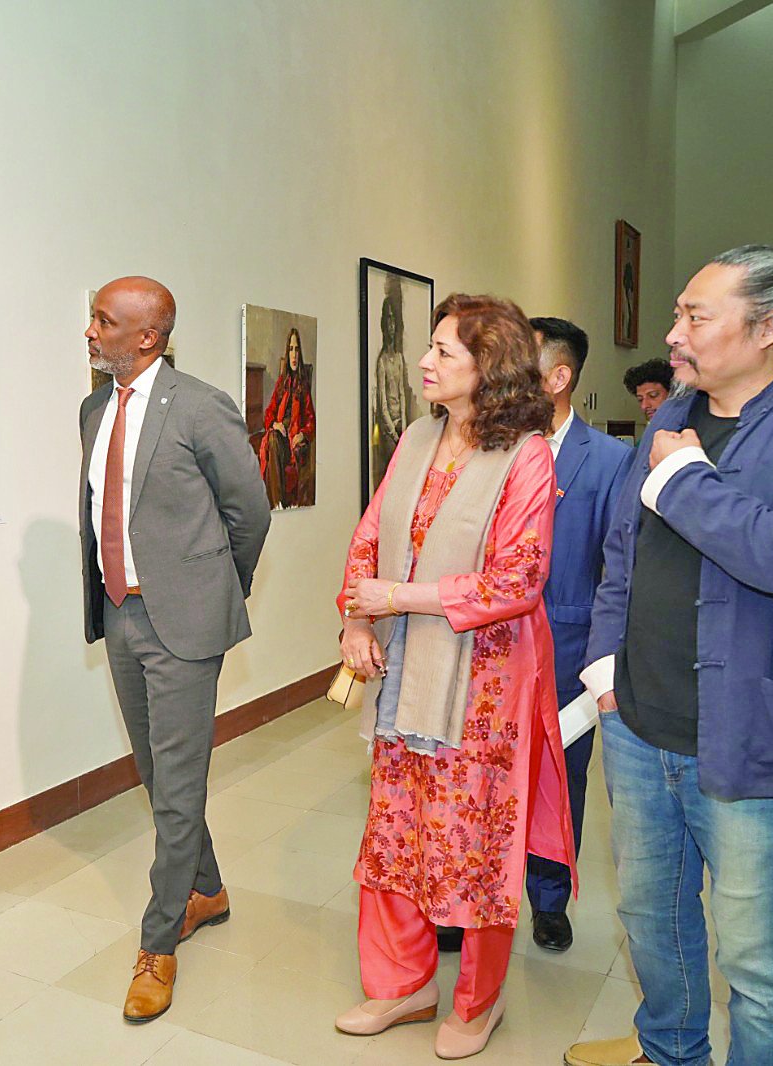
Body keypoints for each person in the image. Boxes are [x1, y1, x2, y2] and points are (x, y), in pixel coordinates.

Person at [565, 246, 773, 1066]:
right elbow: (623, 554)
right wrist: (606, 672)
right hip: (640, 724)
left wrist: (685, 482)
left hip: (756, 740)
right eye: (677, 313)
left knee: (760, 963)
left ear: (769, 327)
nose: (674, 334)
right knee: (652, 921)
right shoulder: (672, 415)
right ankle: (669, 1051)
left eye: (694, 317)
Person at [333, 294, 576, 1060]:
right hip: (409, 673)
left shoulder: (527, 455)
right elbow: (370, 535)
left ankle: (478, 1002)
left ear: (489, 368)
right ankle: (403, 985)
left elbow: (517, 580)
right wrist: (356, 619)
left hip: (484, 687)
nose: (426, 362)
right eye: (430, 347)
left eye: (444, 351)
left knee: (473, 841)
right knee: (397, 829)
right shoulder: (413, 438)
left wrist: (398, 599)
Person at [79, 276, 270, 1024]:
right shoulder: (95, 408)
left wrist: (222, 586)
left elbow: (249, 510)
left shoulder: (199, 405)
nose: (89, 332)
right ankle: (209, 890)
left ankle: (158, 942)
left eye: (103, 321)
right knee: (158, 772)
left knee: (180, 779)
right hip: (121, 613)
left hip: (186, 623)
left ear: (146, 337)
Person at [524, 316, 635, 952]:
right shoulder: (490, 446)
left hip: (568, 647)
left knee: (561, 777)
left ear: (559, 377)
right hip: (486, 644)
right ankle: (469, 899)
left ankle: (548, 897)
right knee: (480, 773)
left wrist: (603, 662)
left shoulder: (612, 461)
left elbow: (618, 567)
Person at [258, 327, 316, 508]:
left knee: (274, 443)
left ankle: (276, 503)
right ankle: (277, 502)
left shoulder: (303, 385)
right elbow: (268, 413)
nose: (294, 355)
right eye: (291, 349)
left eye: (296, 349)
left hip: (292, 440)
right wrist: (275, 424)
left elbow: (311, 421)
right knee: (273, 439)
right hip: (279, 436)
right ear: (287, 352)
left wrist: (303, 434)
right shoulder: (281, 383)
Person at [373, 276, 418, 485]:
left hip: (401, 425)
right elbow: (382, 403)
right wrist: (394, 432)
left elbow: (401, 393)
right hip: (389, 428)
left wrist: (405, 428)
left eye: (393, 319)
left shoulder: (399, 358)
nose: (391, 324)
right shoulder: (382, 361)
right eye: (387, 319)